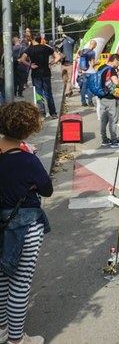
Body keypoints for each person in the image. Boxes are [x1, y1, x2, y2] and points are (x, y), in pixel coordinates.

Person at [0, 101, 52, 344]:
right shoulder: (27, 159)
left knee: (1, 280)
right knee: (20, 284)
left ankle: (1, 328)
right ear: (29, 129)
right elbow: (47, 189)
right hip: (26, 226)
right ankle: (16, 340)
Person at [19, 34, 62, 119]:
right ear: (39, 40)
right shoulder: (46, 48)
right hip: (46, 73)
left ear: (33, 40)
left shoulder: (29, 49)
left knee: (38, 93)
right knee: (48, 93)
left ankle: (42, 113)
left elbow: (22, 59)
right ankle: (53, 113)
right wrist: (51, 63)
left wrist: (30, 65)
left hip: (36, 74)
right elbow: (58, 56)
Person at [98, 54, 119, 148]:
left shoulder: (101, 67)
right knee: (113, 120)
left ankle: (104, 139)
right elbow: (116, 82)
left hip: (101, 97)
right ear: (115, 60)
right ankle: (114, 141)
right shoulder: (111, 69)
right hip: (111, 98)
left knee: (103, 120)